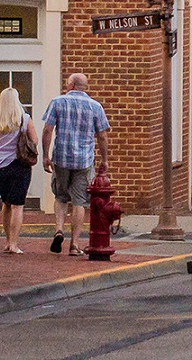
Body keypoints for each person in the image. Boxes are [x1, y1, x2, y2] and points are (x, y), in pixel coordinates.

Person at [41, 73, 110, 257]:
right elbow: (102, 135)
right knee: (79, 201)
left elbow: (47, 130)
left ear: (70, 85)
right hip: (84, 160)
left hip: (61, 158)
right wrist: (104, 159)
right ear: (84, 87)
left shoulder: (57, 102)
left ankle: (58, 230)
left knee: (61, 196)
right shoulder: (95, 106)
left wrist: (46, 156)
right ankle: (74, 244)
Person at [0, 87, 38, 255]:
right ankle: (14, 244)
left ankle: (8, 241)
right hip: (18, 165)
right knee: (17, 205)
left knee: (6, 203)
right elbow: (34, 140)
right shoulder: (24, 119)